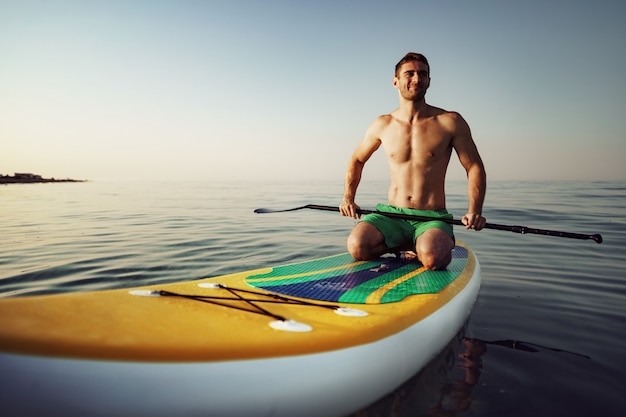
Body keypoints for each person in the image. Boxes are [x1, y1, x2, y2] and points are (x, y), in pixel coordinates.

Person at [339, 52, 487, 270]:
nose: (417, 79)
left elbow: (474, 166)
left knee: (434, 258)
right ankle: (404, 245)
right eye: (409, 74)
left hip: (432, 216)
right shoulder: (383, 124)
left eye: (423, 74)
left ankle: (427, 243)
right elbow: (357, 159)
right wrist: (348, 198)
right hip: (392, 214)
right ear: (395, 81)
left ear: (429, 80)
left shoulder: (450, 122)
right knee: (357, 246)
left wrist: (475, 210)